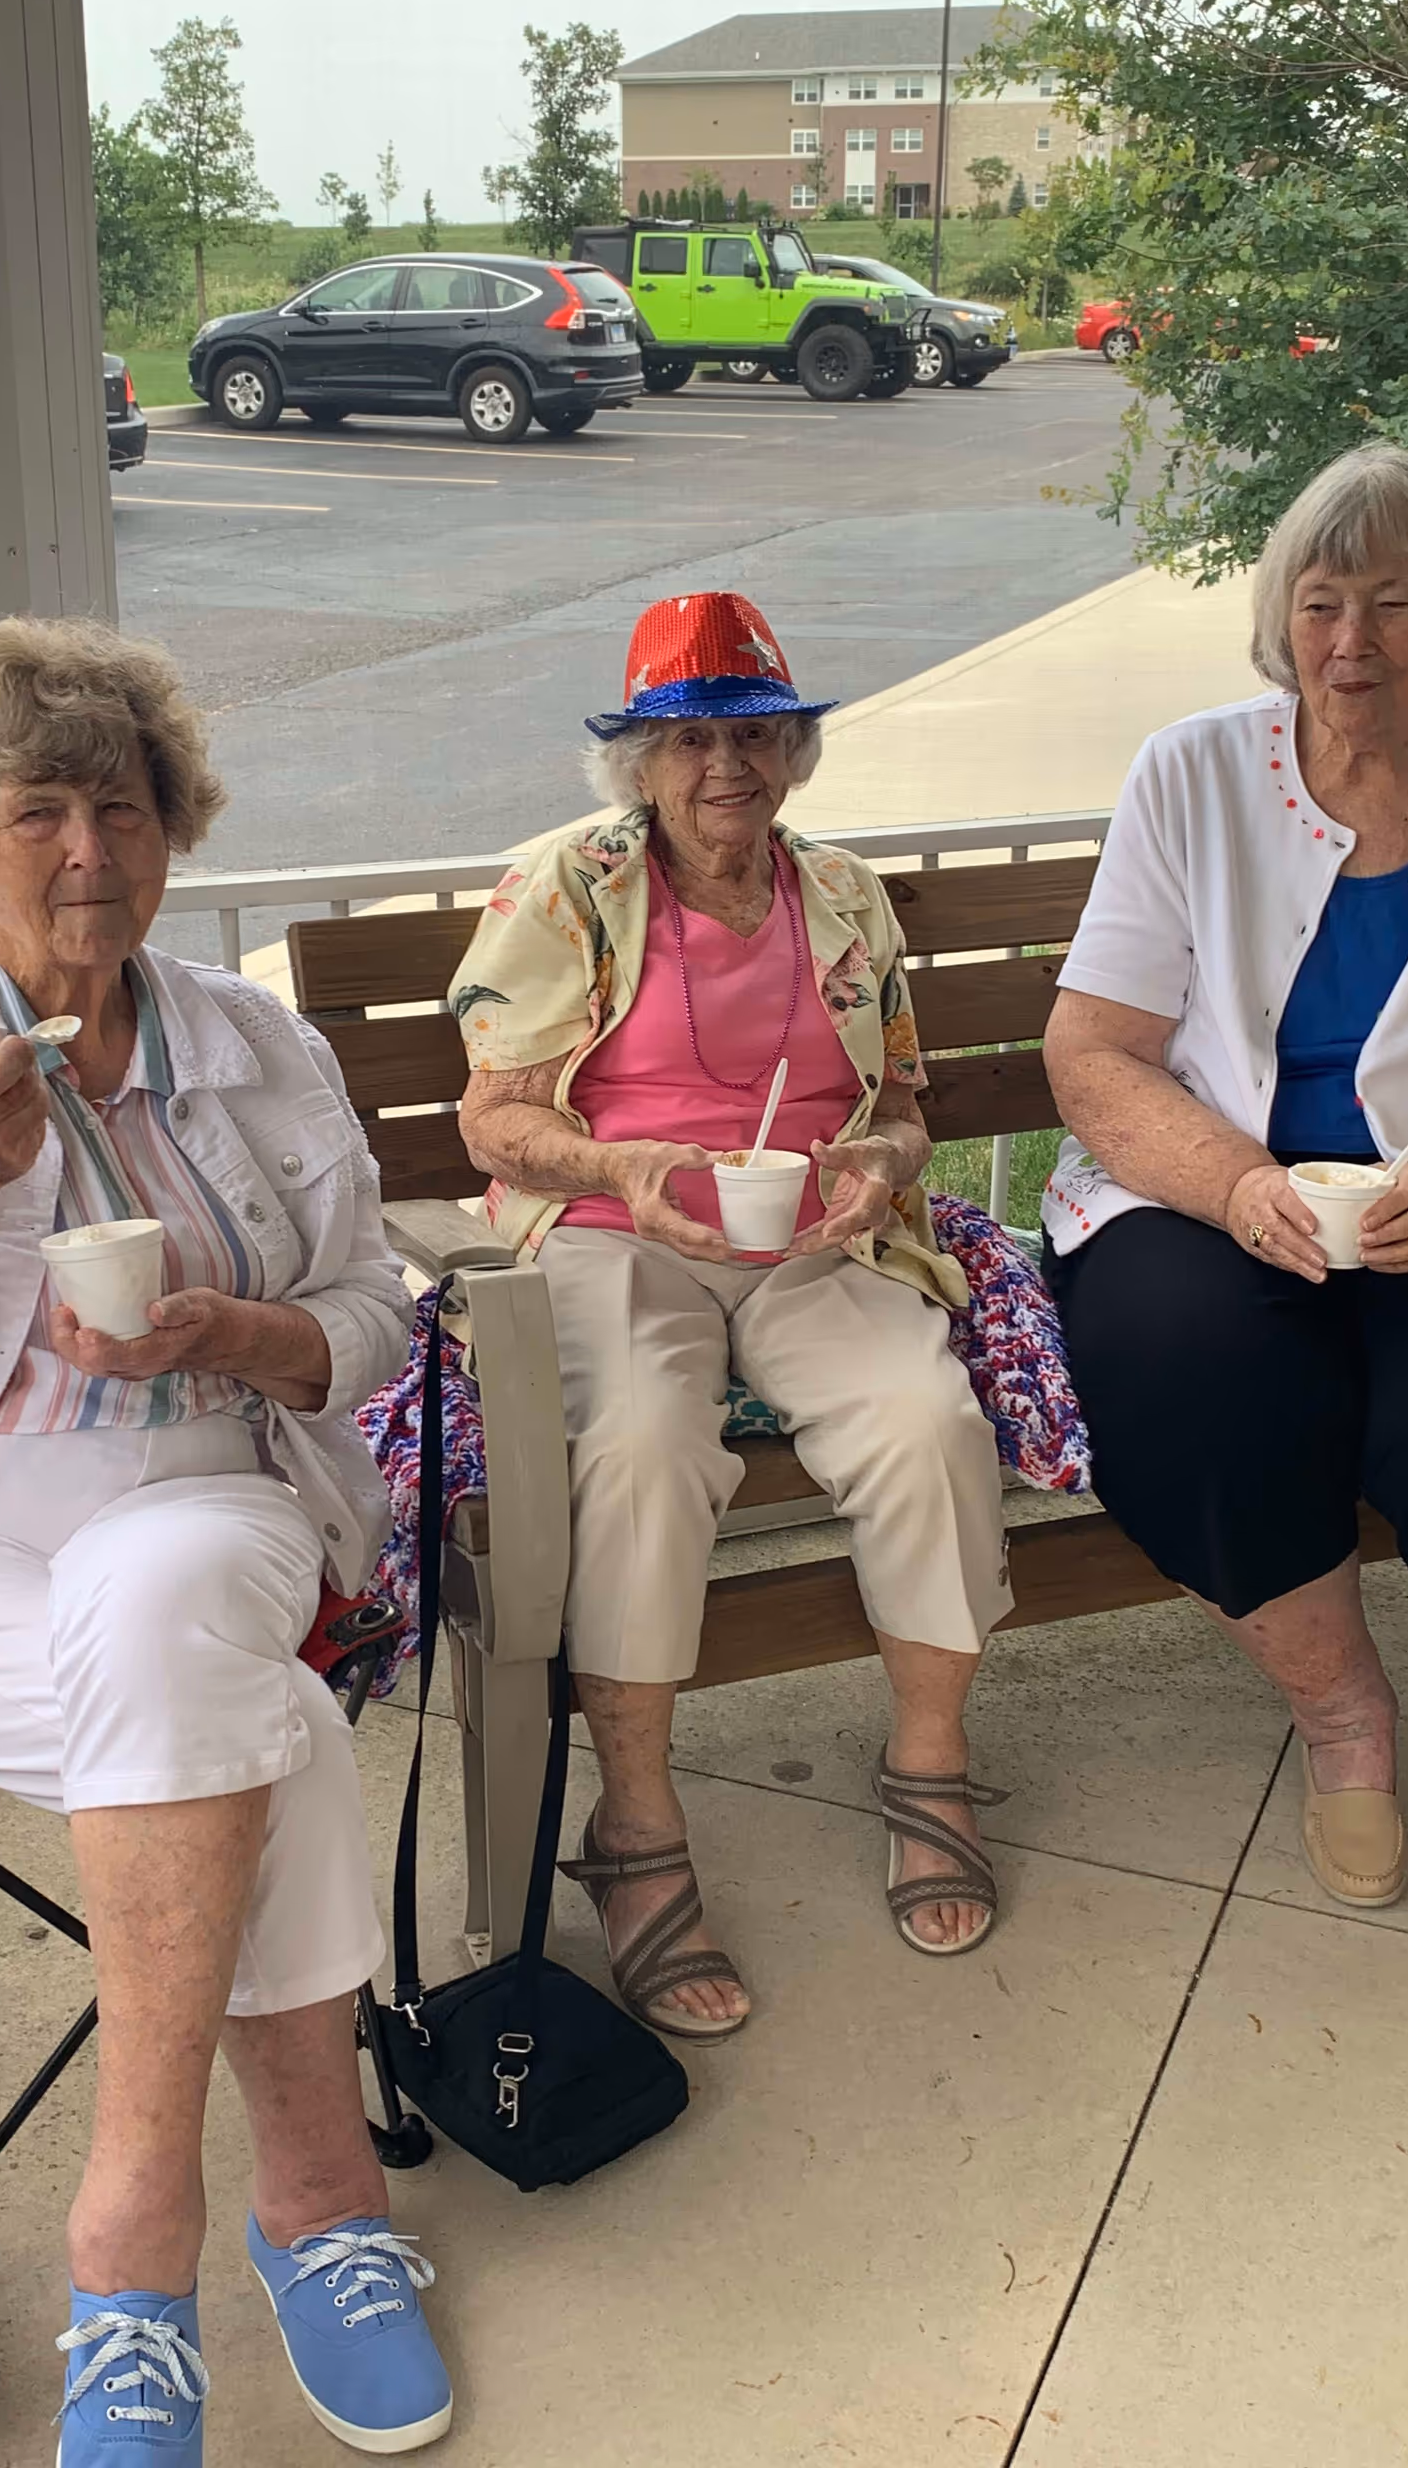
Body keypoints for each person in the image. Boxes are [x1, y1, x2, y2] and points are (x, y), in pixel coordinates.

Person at [0, 617, 453, 2462]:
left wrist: (245, 1337)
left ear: (171, 830)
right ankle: (310, 2199)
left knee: (166, 1595)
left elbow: (374, 1306)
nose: (83, 853)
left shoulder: (256, 1046)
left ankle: (128, 2255)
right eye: (34, 811)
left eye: (118, 808)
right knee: (264, 1730)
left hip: (211, 1492)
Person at [1041, 443, 1408, 2008]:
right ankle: (1344, 1720)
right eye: (1323, 604)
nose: (1354, 644)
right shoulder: (1191, 773)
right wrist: (1235, 1184)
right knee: (1181, 1365)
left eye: (1395, 605)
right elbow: (1095, 1051)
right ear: (1279, 617)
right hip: (1212, 1190)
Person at [453, 592, 1012, 2043]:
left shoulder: (840, 895)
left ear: (795, 752)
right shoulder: (564, 886)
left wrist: (883, 1162)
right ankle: (634, 1826)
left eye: (757, 735)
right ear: (638, 760)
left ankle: (932, 1765)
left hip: (813, 1236)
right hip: (608, 1239)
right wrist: (619, 1166)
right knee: (639, 1441)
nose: (727, 768)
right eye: (689, 737)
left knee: (925, 1417)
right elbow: (495, 1121)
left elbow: (899, 1097)